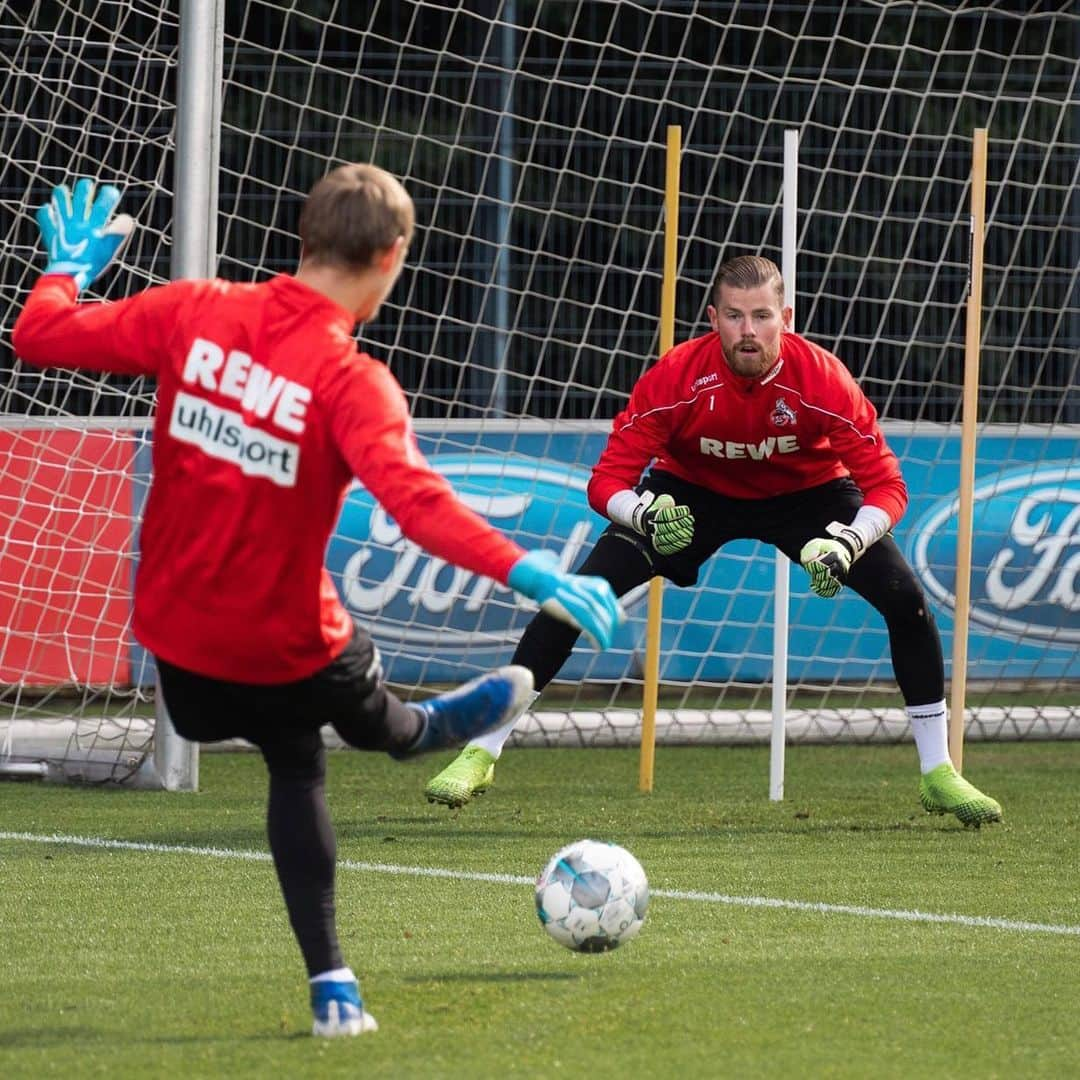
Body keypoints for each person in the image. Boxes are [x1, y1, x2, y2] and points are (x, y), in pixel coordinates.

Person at [12, 169, 624, 1037]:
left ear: (304, 240)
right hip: (290, 646)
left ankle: (339, 971)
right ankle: (421, 749)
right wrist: (535, 574)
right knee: (347, 739)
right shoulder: (350, 379)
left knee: (296, 751)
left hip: (178, 660)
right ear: (392, 258)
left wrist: (67, 268)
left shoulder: (193, 311)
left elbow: (39, 335)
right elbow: (420, 506)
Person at [425, 254, 1003, 830]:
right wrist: (645, 515)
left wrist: (850, 540)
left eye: (761, 316)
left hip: (811, 497)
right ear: (713, 317)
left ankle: (937, 772)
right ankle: (482, 750)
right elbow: (606, 482)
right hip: (689, 496)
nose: (747, 331)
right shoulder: (676, 377)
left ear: (786, 318)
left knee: (907, 600)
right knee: (573, 598)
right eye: (734, 316)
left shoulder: (823, 380)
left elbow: (888, 486)